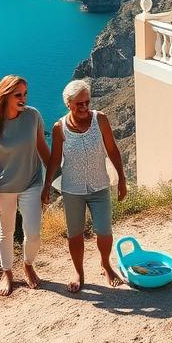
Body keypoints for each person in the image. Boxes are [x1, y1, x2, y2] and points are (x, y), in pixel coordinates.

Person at [42, 78, 127, 293]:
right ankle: (79, 272)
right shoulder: (59, 128)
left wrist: (122, 178)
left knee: (105, 231)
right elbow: (54, 159)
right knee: (75, 234)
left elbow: (113, 150)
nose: (84, 107)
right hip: (72, 189)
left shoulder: (101, 120)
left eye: (87, 102)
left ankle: (106, 264)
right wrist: (46, 187)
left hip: (99, 185)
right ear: (68, 104)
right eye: (79, 104)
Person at [0, 74, 51, 296]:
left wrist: (51, 180)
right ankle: (7, 272)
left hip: (31, 183)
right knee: (6, 231)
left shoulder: (33, 116)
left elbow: (42, 149)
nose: (23, 99)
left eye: (25, 94)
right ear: (5, 96)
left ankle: (28, 265)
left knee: (34, 233)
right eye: (17, 95)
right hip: (3, 188)